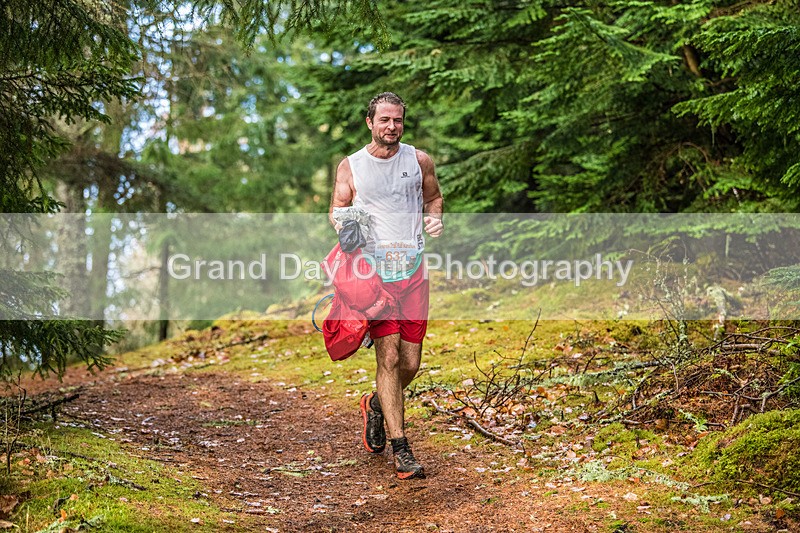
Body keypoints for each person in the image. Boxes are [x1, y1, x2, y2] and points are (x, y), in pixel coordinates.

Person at [329, 92, 443, 479]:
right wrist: (346, 227)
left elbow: (435, 197)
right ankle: (402, 449)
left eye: (397, 120)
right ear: (370, 123)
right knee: (389, 359)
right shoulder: (352, 166)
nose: (391, 127)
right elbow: (338, 209)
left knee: (410, 363)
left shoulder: (419, 160)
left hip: (413, 274)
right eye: (384, 120)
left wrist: (434, 218)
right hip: (375, 277)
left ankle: (376, 404)